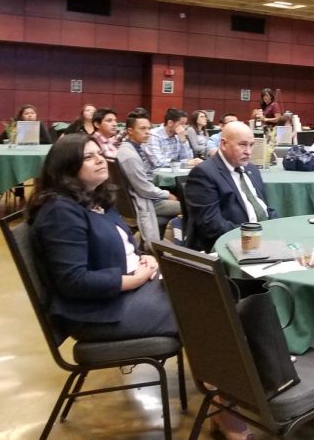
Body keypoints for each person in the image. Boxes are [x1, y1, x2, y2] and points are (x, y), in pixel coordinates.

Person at [27, 134, 176, 341]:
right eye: (88, 157)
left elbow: (124, 246)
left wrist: (145, 257)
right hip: (97, 313)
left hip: (127, 292)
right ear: (66, 168)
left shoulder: (97, 199)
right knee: (198, 309)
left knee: (205, 293)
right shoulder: (59, 211)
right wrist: (135, 280)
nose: (100, 160)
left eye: (100, 153)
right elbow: (74, 280)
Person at [185, 121, 280, 252]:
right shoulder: (204, 174)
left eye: (251, 145)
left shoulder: (251, 169)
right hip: (229, 246)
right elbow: (212, 227)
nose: (248, 152)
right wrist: (256, 236)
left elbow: (265, 208)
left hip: (261, 241)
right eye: (242, 145)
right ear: (223, 144)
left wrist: (277, 229)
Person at [115, 111, 182, 246]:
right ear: (130, 131)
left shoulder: (132, 148)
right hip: (144, 201)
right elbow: (144, 189)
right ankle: (178, 245)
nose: (148, 132)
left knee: (164, 217)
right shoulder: (130, 156)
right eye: (142, 129)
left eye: (149, 128)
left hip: (142, 199)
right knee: (187, 207)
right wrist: (167, 194)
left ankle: (163, 242)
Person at [145, 108, 200, 172]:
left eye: (185, 124)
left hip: (176, 172)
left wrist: (183, 141)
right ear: (170, 123)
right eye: (181, 124)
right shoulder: (154, 135)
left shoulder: (178, 135)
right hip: (156, 174)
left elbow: (189, 159)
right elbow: (158, 162)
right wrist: (184, 163)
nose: (183, 128)